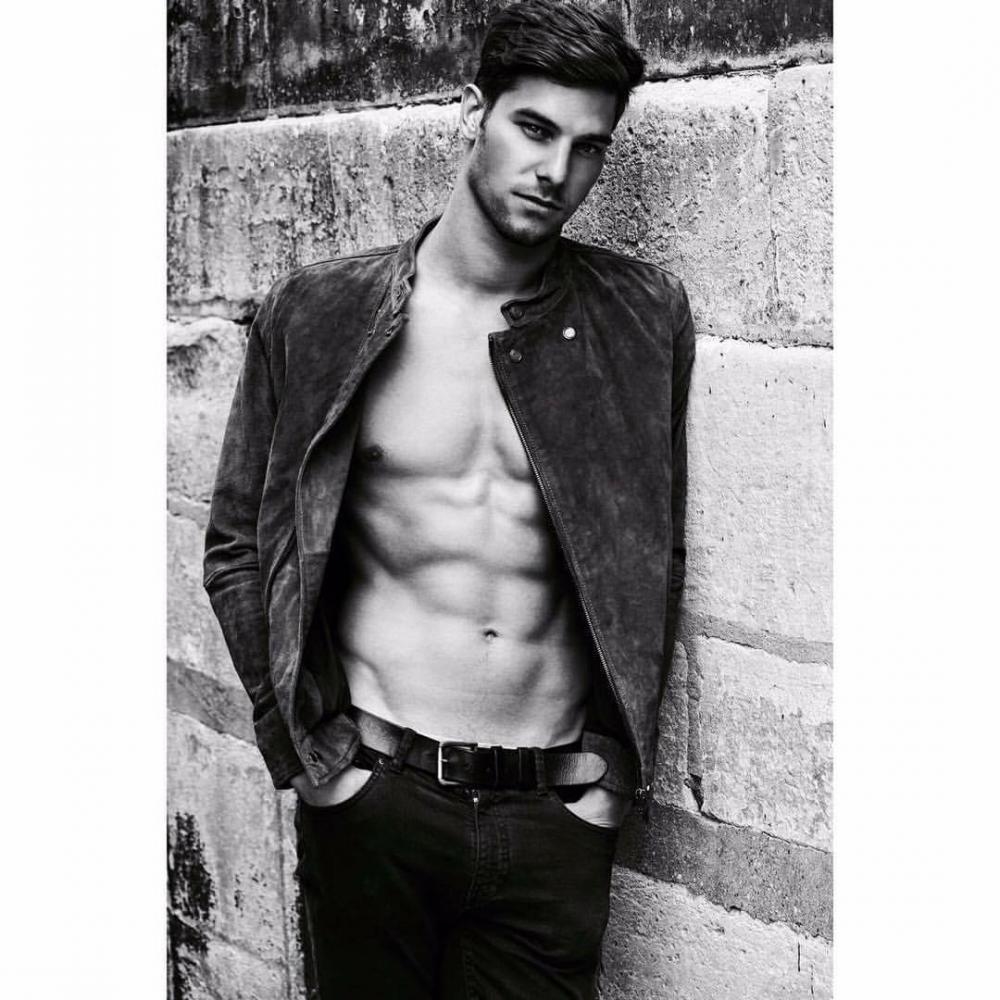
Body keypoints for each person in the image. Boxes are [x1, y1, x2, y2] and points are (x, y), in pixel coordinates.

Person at [203, 2, 695, 996]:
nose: (555, 171)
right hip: (377, 799)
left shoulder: (641, 317)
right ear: (474, 112)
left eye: (589, 147)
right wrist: (311, 760)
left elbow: (653, 555)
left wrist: (609, 773)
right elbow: (238, 548)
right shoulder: (322, 313)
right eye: (533, 128)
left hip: (555, 815)